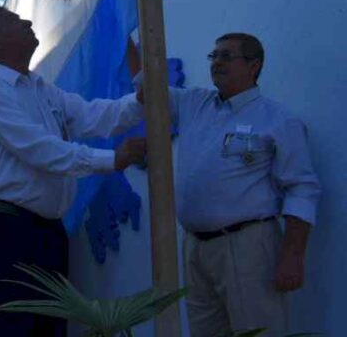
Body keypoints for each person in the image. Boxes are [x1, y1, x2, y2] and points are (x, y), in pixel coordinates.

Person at [0, 7, 148, 336]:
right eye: (14, 20)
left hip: (47, 231)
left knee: (48, 328)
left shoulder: (42, 89)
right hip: (9, 231)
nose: (28, 22)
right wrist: (111, 159)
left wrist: (139, 103)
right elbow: (39, 149)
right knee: (8, 328)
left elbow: (93, 116)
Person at [137, 33, 320, 337]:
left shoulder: (278, 120)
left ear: (254, 66)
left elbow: (302, 189)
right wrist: (125, 33)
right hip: (196, 247)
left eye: (226, 56)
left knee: (258, 331)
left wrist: (293, 255)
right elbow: (148, 91)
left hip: (248, 247)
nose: (217, 62)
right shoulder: (194, 102)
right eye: (214, 56)